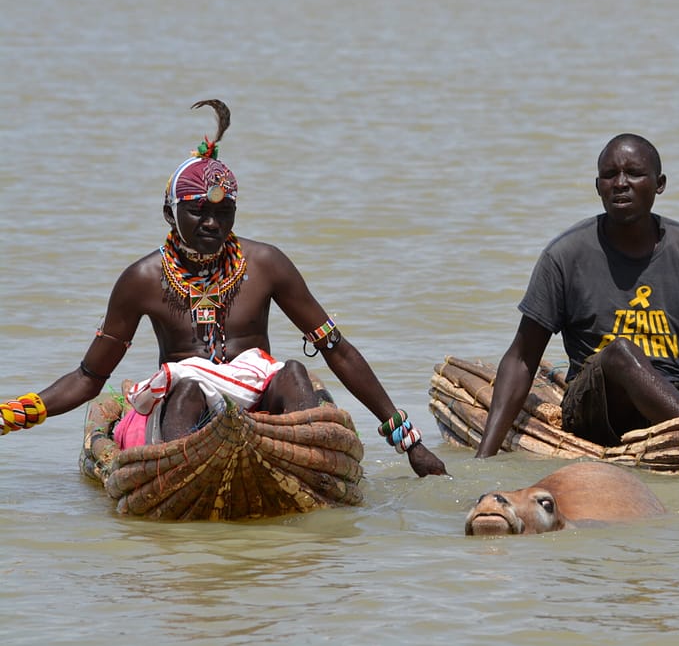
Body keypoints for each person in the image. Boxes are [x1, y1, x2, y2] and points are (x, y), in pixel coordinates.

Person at [0, 100, 447, 477]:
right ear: (169, 212)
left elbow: (337, 348)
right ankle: (185, 476)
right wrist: (13, 414)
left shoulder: (267, 264)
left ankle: (306, 468)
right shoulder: (142, 280)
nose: (212, 223)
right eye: (197, 212)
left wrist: (408, 441)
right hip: (187, 413)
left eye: (225, 211)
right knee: (189, 388)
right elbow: (88, 378)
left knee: (292, 372)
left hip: (266, 410)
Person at [476, 133, 679, 456]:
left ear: (660, 184)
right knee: (621, 351)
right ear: (598, 187)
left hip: (675, 400)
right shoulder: (565, 256)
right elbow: (521, 358)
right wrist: (485, 455)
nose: (620, 183)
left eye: (633, 173)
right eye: (609, 175)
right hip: (598, 412)